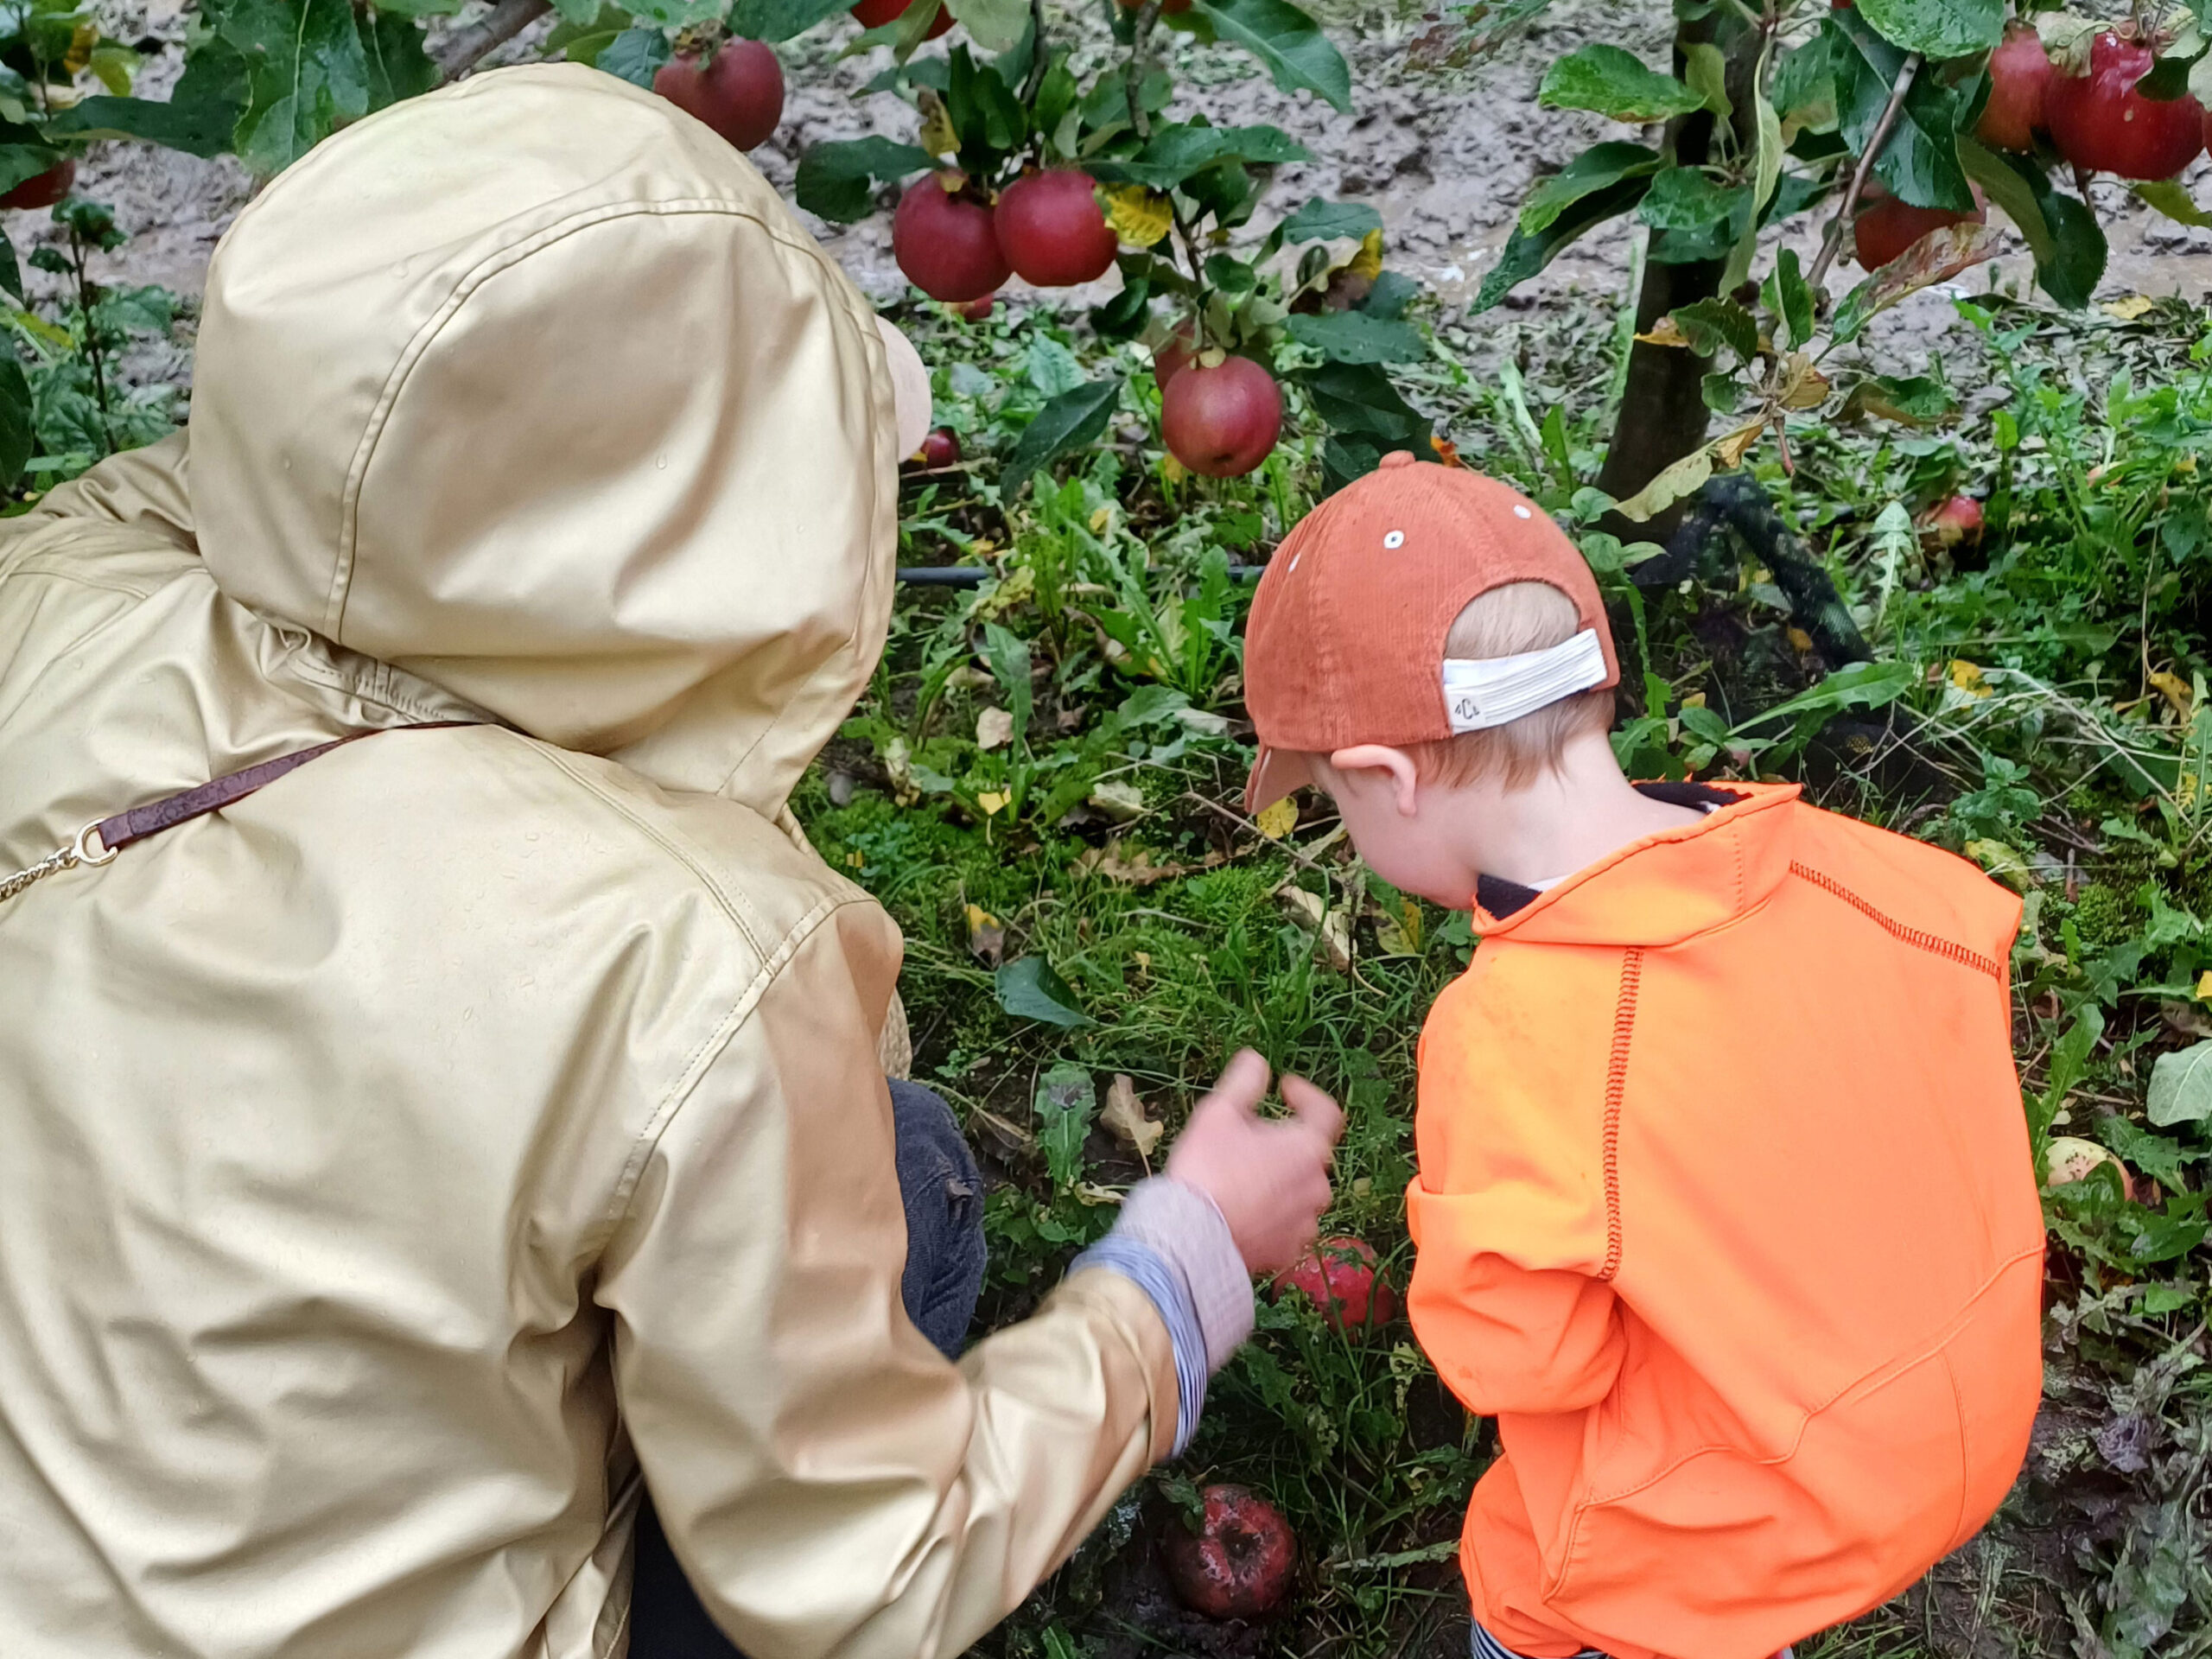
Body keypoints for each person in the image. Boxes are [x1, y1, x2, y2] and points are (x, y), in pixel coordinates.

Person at [0, 65, 1344, 1659]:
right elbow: (873, 1577)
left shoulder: (49, 594)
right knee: (909, 1182)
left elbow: (301, 481)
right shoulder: (681, 962)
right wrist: (1173, 1281)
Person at [1238, 451, 2044, 1659]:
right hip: (1950, 1437)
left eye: (1332, 809)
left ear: (1386, 780)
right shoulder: (1876, 876)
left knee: (1535, 1594)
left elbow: (1522, 1359)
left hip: (1723, 1538)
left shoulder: (1518, 1036)